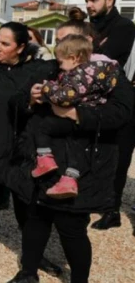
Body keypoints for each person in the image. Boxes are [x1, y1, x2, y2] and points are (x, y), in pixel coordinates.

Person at [2, 16, 134, 283]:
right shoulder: (51, 67)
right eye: (58, 40)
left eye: (67, 39)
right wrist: (32, 99)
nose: (61, 46)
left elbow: (123, 113)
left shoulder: (109, 72)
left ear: (86, 44)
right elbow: (16, 100)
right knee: (35, 219)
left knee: (71, 226)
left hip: (83, 163)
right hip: (44, 161)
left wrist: (78, 115)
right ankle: (28, 273)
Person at [0, 22, 62, 272]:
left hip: (22, 151)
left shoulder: (36, 70)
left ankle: (33, 253)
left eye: (5, 43)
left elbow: (66, 64)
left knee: (28, 206)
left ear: (21, 47)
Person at [31, 34, 118, 198]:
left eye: (61, 62)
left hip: (75, 116)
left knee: (43, 126)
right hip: (88, 120)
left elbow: (65, 97)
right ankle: (69, 180)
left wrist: (47, 87)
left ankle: (44, 159)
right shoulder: (102, 71)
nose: (60, 66)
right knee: (75, 147)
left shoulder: (81, 74)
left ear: (73, 58)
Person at [83, 0, 135, 230]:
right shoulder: (90, 26)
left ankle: (112, 210)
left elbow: (106, 59)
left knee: (120, 155)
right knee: (98, 152)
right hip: (95, 98)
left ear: (110, 0)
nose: (89, 5)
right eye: (87, 0)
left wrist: (88, 51)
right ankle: (99, 200)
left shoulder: (124, 26)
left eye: (94, 0)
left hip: (121, 100)